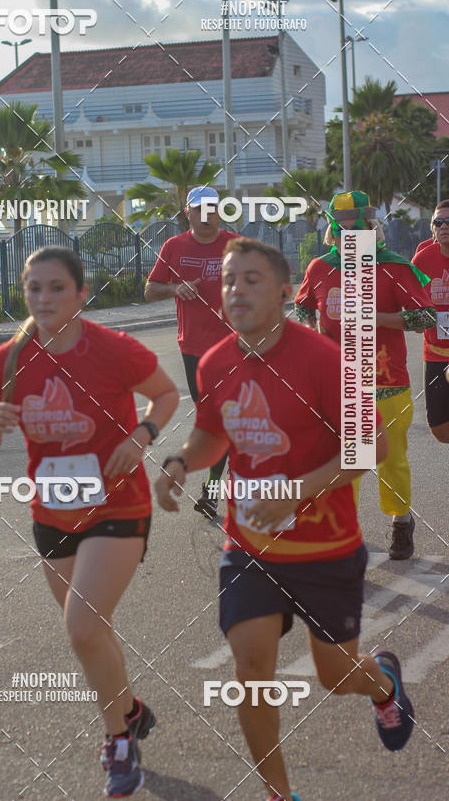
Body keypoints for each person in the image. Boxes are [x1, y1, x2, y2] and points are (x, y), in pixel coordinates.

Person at [155, 237, 415, 801]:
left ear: (283, 291)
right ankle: (279, 794)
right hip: (249, 547)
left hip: (326, 549)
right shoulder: (216, 362)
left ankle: (383, 683)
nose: (236, 290)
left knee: (336, 676)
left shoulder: (325, 360)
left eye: (251, 279)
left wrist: (296, 492)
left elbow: (370, 445)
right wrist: (180, 461)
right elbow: (212, 433)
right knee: (250, 673)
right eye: (229, 280)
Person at [0, 246, 179, 797]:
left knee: (82, 627)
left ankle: (118, 742)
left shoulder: (113, 348)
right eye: (34, 287)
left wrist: (142, 436)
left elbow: (165, 394)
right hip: (52, 510)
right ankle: (130, 710)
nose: (43, 298)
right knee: (94, 632)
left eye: (56, 287)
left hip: (118, 505)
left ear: (81, 294)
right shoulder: (10, 358)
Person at [294, 191, 436, 560]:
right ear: (333, 232)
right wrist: (310, 334)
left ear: (371, 229)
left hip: (388, 382)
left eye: (356, 231)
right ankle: (345, 532)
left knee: (391, 459)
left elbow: (425, 316)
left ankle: (401, 522)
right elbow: (302, 305)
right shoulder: (320, 268)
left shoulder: (394, 267)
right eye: (341, 231)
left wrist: (377, 318)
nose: (349, 238)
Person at [145, 185, 241, 518]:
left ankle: (216, 493)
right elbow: (150, 289)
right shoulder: (174, 247)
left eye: (212, 208)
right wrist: (175, 288)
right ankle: (220, 491)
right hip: (194, 349)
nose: (206, 214)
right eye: (199, 209)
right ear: (188, 212)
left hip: (235, 345)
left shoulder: (236, 245)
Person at [412, 199, 449, 442]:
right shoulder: (422, 260)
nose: (444, 226)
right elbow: (410, 301)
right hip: (435, 352)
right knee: (438, 428)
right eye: (439, 221)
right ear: (432, 228)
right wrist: (417, 317)